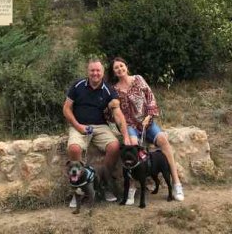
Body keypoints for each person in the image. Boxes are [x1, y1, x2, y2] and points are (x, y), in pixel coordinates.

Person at [110, 57, 184, 203]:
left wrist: (149, 116)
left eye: (121, 65)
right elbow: (114, 112)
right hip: (130, 126)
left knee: (163, 139)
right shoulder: (114, 90)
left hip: (147, 123)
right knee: (132, 143)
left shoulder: (138, 79)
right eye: (116, 68)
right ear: (114, 72)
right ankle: (131, 187)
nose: (120, 69)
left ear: (126, 66)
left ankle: (176, 183)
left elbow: (150, 98)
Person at [63, 58, 131, 207]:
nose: (95, 73)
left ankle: (104, 185)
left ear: (103, 72)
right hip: (79, 125)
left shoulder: (108, 89)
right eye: (92, 70)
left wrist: (125, 135)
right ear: (87, 71)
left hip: (100, 126)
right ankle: (79, 190)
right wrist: (78, 126)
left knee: (114, 146)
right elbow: (66, 108)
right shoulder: (78, 85)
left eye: (98, 70)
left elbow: (118, 114)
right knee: (74, 148)